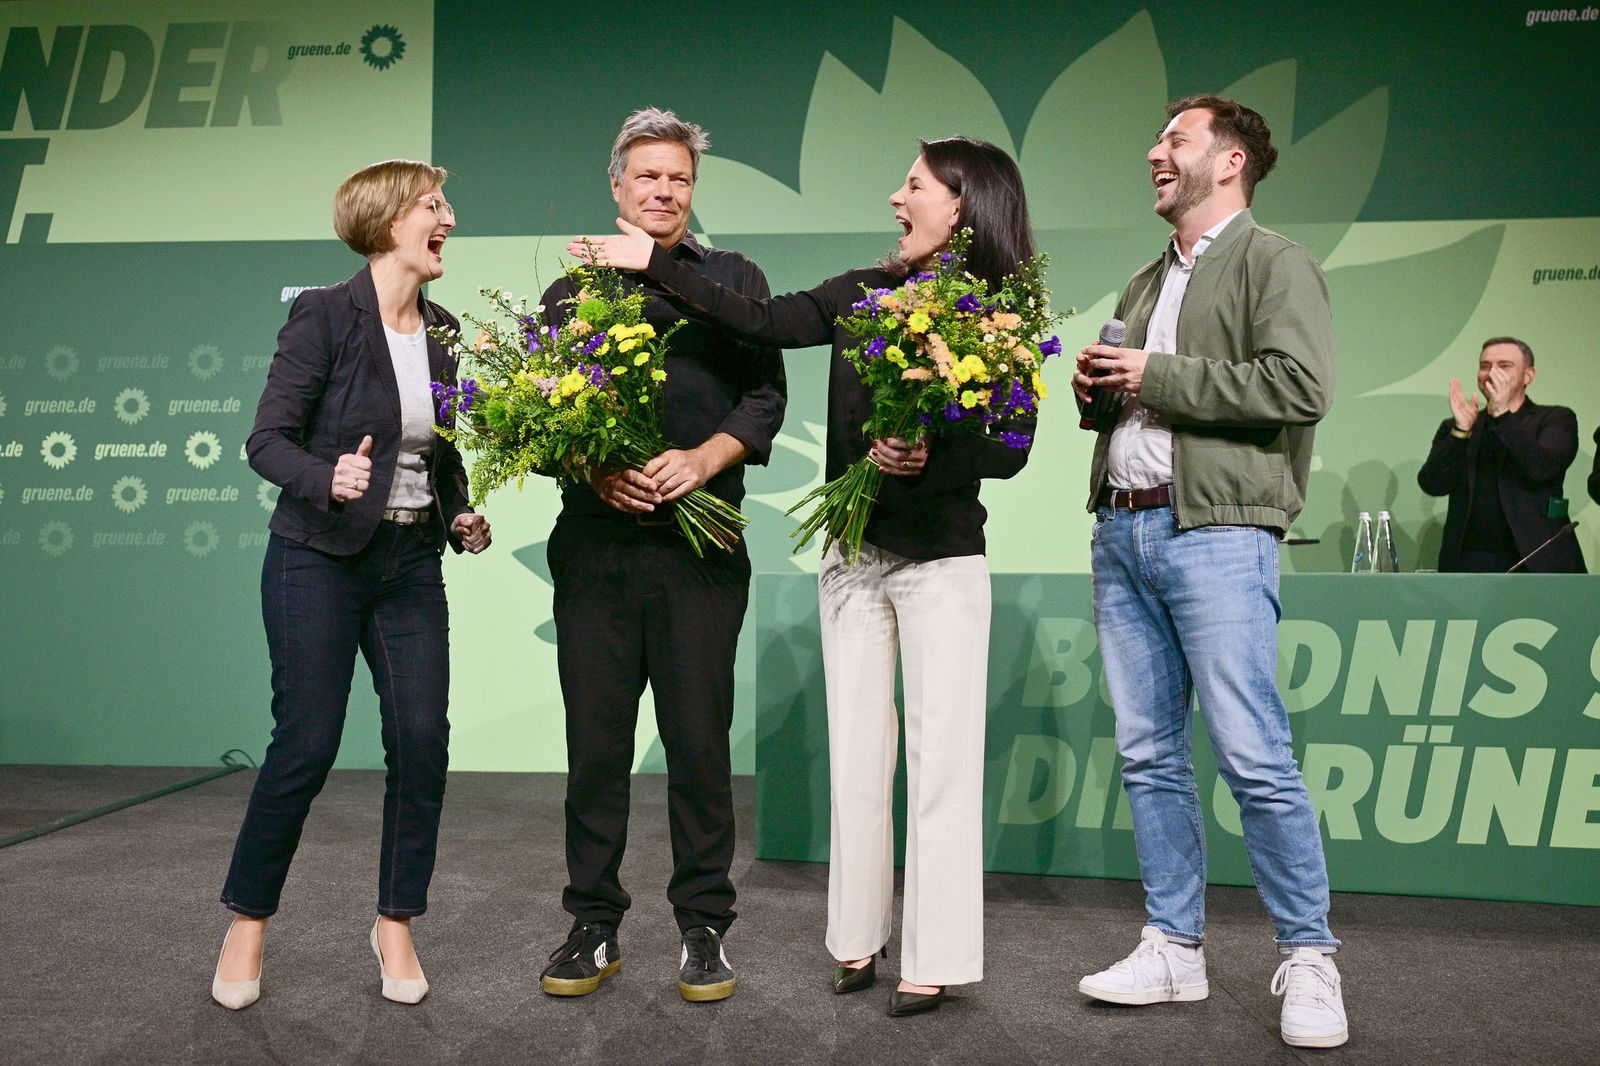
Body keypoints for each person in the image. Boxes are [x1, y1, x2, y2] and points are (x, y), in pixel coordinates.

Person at [571, 135, 1037, 1017]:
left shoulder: (999, 315)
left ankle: (933, 956)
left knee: (940, 767)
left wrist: (933, 450)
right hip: (853, 557)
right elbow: (763, 321)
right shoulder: (864, 293)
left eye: (913, 186)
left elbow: (1012, 449)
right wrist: (663, 265)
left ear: (963, 206)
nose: (896, 200)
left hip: (941, 563)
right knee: (858, 763)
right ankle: (856, 942)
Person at [1071, 96, 1347, 1049]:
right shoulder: (1147, 279)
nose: (1155, 152)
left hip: (1221, 534)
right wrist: (1099, 393)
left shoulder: (1275, 262)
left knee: (1252, 754)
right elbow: (1139, 393)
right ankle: (1175, 948)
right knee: (1149, 757)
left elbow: (1298, 387)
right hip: (1125, 532)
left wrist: (1151, 375)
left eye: (1174, 140)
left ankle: (1310, 956)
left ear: (1228, 161)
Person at [211, 159, 492, 1010]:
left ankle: (396, 922)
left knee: (420, 741)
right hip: (317, 558)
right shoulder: (324, 316)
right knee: (306, 742)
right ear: (386, 221)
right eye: (434, 205)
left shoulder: (440, 328)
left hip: (411, 563)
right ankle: (248, 919)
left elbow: (436, 454)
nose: (449, 218)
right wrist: (323, 476)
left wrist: (458, 514)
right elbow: (265, 442)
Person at [535, 108, 785, 1004]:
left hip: (702, 552)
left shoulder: (735, 279)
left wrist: (704, 459)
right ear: (617, 187)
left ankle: (703, 927)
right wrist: (594, 467)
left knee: (697, 745)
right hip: (597, 553)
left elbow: (763, 397)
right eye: (647, 176)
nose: (663, 191)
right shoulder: (573, 292)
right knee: (595, 748)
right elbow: (539, 421)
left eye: (678, 178)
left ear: (693, 189)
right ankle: (593, 924)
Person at [1417, 337, 1586, 573]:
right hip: (1470, 560)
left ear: (1528, 375)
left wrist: (1502, 415)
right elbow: (1432, 484)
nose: (1491, 373)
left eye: (1504, 365)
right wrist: (1460, 432)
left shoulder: (1555, 419)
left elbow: (1541, 468)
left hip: (1537, 560)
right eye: (1485, 366)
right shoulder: (1458, 425)